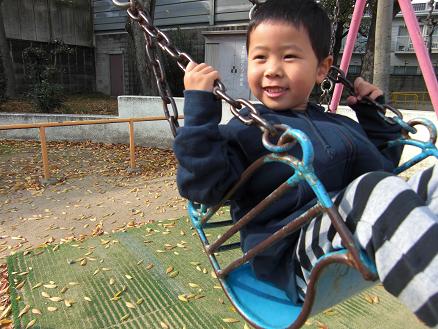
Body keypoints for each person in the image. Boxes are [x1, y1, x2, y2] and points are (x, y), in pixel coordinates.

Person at [173, 0, 438, 326]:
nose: (272, 68)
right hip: (290, 253)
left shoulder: (339, 125)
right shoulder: (244, 130)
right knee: (374, 191)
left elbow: (383, 167)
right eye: (260, 57)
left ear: (323, 69)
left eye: (289, 56)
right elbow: (202, 186)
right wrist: (199, 110)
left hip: (350, 228)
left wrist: (372, 115)